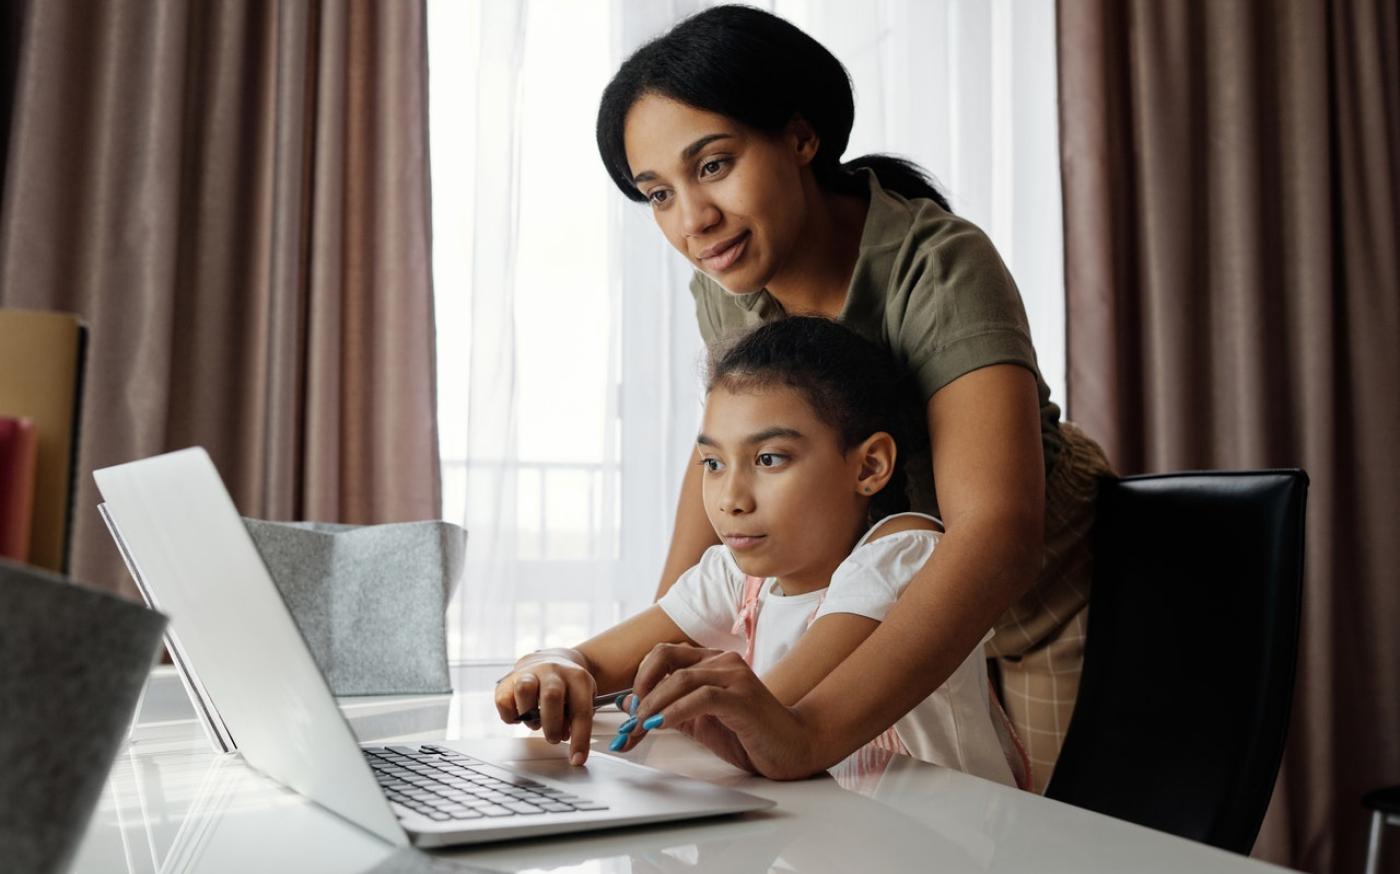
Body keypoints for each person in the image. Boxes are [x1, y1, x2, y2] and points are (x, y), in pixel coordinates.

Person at [584, 4, 1116, 790]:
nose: (693, 221)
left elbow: (996, 531)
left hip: (1032, 595)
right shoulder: (728, 280)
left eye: (713, 166)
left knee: (1046, 841)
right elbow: (722, 458)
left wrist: (810, 732)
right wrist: (665, 653)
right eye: (657, 193)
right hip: (874, 594)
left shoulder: (938, 265)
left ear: (801, 137)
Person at [495, 316, 1019, 787]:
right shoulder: (738, 578)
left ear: (869, 467)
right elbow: (591, 659)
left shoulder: (904, 555)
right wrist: (549, 668)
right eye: (713, 463)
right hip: (831, 837)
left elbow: (767, 720)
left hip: (946, 845)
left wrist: (661, 695)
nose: (730, 500)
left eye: (769, 458)